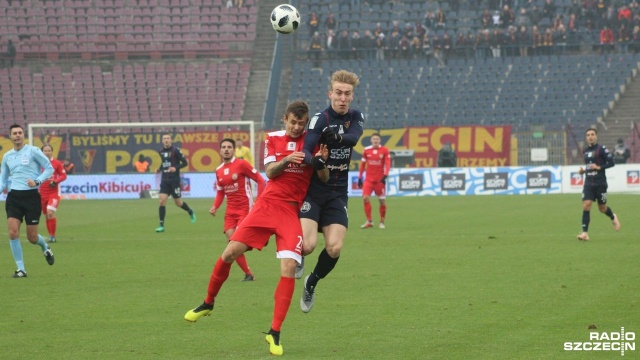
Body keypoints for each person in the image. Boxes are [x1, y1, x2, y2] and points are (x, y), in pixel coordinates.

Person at [184, 100, 329, 356]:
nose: (296, 127)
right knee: (229, 253)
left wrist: (321, 163)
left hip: (290, 211)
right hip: (266, 206)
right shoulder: (272, 138)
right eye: (292, 122)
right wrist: (288, 159)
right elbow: (270, 172)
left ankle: (274, 333)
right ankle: (208, 302)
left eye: (301, 123)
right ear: (284, 119)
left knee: (288, 267)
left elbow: (323, 177)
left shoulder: (313, 141)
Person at [295, 70, 365, 314]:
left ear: (352, 96)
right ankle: (299, 253)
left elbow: (354, 138)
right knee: (307, 246)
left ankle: (311, 282)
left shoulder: (356, 117)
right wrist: (315, 162)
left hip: (337, 194)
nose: (342, 98)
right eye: (338, 93)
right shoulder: (319, 119)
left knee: (334, 247)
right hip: (314, 192)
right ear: (330, 94)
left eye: (347, 94)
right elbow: (305, 151)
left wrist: (337, 136)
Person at [0, 124, 55, 278]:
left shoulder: (33, 151)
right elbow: (3, 180)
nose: (17, 135)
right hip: (14, 198)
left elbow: (49, 168)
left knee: (32, 237)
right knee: (12, 232)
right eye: (14, 133)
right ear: (10, 136)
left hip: (31, 198)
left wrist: (37, 181)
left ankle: (45, 246)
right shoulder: (7, 156)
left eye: (19, 133)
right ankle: (21, 269)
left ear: (23, 135)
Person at [210, 138, 267, 281]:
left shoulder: (241, 164)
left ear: (234, 150)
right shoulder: (218, 170)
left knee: (239, 241)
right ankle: (248, 274)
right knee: (232, 242)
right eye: (223, 147)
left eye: (229, 147)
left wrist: (259, 200)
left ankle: (261, 236)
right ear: (220, 150)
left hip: (245, 208)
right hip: (230, 211)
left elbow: (261, 180)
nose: (226, 149)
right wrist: (215, 207)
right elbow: (220, 191)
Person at [577, 128, 620, 241]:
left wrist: (599, 167)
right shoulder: (585, 151)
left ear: (596, 136)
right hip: (588, 183)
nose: (590, 136)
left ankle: (612, 216)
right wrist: (583, 171)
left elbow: (611, 163)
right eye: (588, 135)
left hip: (600, 183)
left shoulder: (602, 149)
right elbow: (589, 166)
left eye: (592, 134)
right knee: (586, 205)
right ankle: (585, 233)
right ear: (586, 138)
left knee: (602, 208)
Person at [155, 134, 195, 232]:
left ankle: (190, 211)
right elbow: (164, 162)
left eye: (168, 138)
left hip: (174, 181)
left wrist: (175, 168)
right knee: (162, 201)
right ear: (162, 141)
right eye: (164, 139)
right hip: (164, 180)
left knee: (178, 203)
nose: (166, 140)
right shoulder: (161, 152)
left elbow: (185, 163)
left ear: (171, 140)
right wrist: (159, 169)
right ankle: (161, 225)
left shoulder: (175, 151)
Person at [358, 133, 390, 229]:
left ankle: (382, 222)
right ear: (371, 140)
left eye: (377, 139)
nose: (375, 140)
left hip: (380, 180)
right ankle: (369, 221)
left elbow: (388, 163)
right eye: (374, 139)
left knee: (382, 201)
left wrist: (385, 175)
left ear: (380, 140)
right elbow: (363, 164)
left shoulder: (384, 150)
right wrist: (360, 177)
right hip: (369, 180)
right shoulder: (366, 150)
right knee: (365, 198)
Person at [39, 144, 67, 243]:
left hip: (53, 193)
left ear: (52, 151)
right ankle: (50, 235)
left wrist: (55, 181)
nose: (47, 152)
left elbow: (64, 175)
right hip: (42, 193)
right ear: (42, 152)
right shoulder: (38, 163)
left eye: (49, 150)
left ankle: (52, 236)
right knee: (46, 215)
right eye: (45, 151)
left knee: (50, 212)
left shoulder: (57, 163)